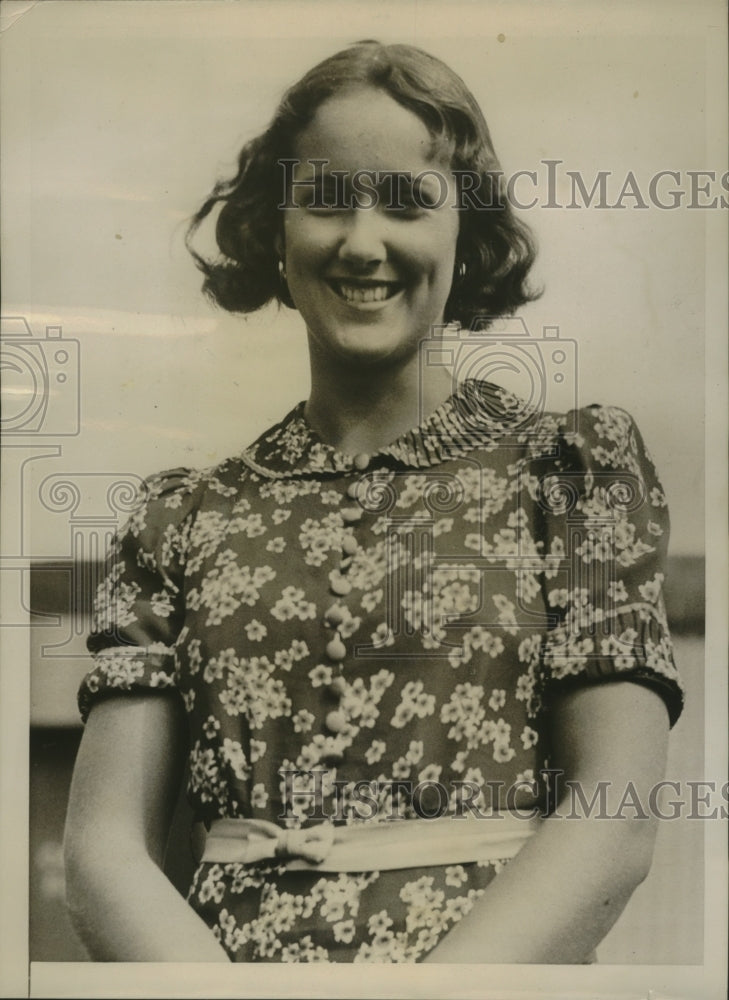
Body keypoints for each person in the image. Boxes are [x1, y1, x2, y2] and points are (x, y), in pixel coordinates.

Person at [63, 40, 683, 963]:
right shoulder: (181, 519)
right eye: (324, 199)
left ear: (465, 236)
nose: (361, 241)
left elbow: (613, 813)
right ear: (274, 230)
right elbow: (103, 850)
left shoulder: (570, 471)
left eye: (405, 202)